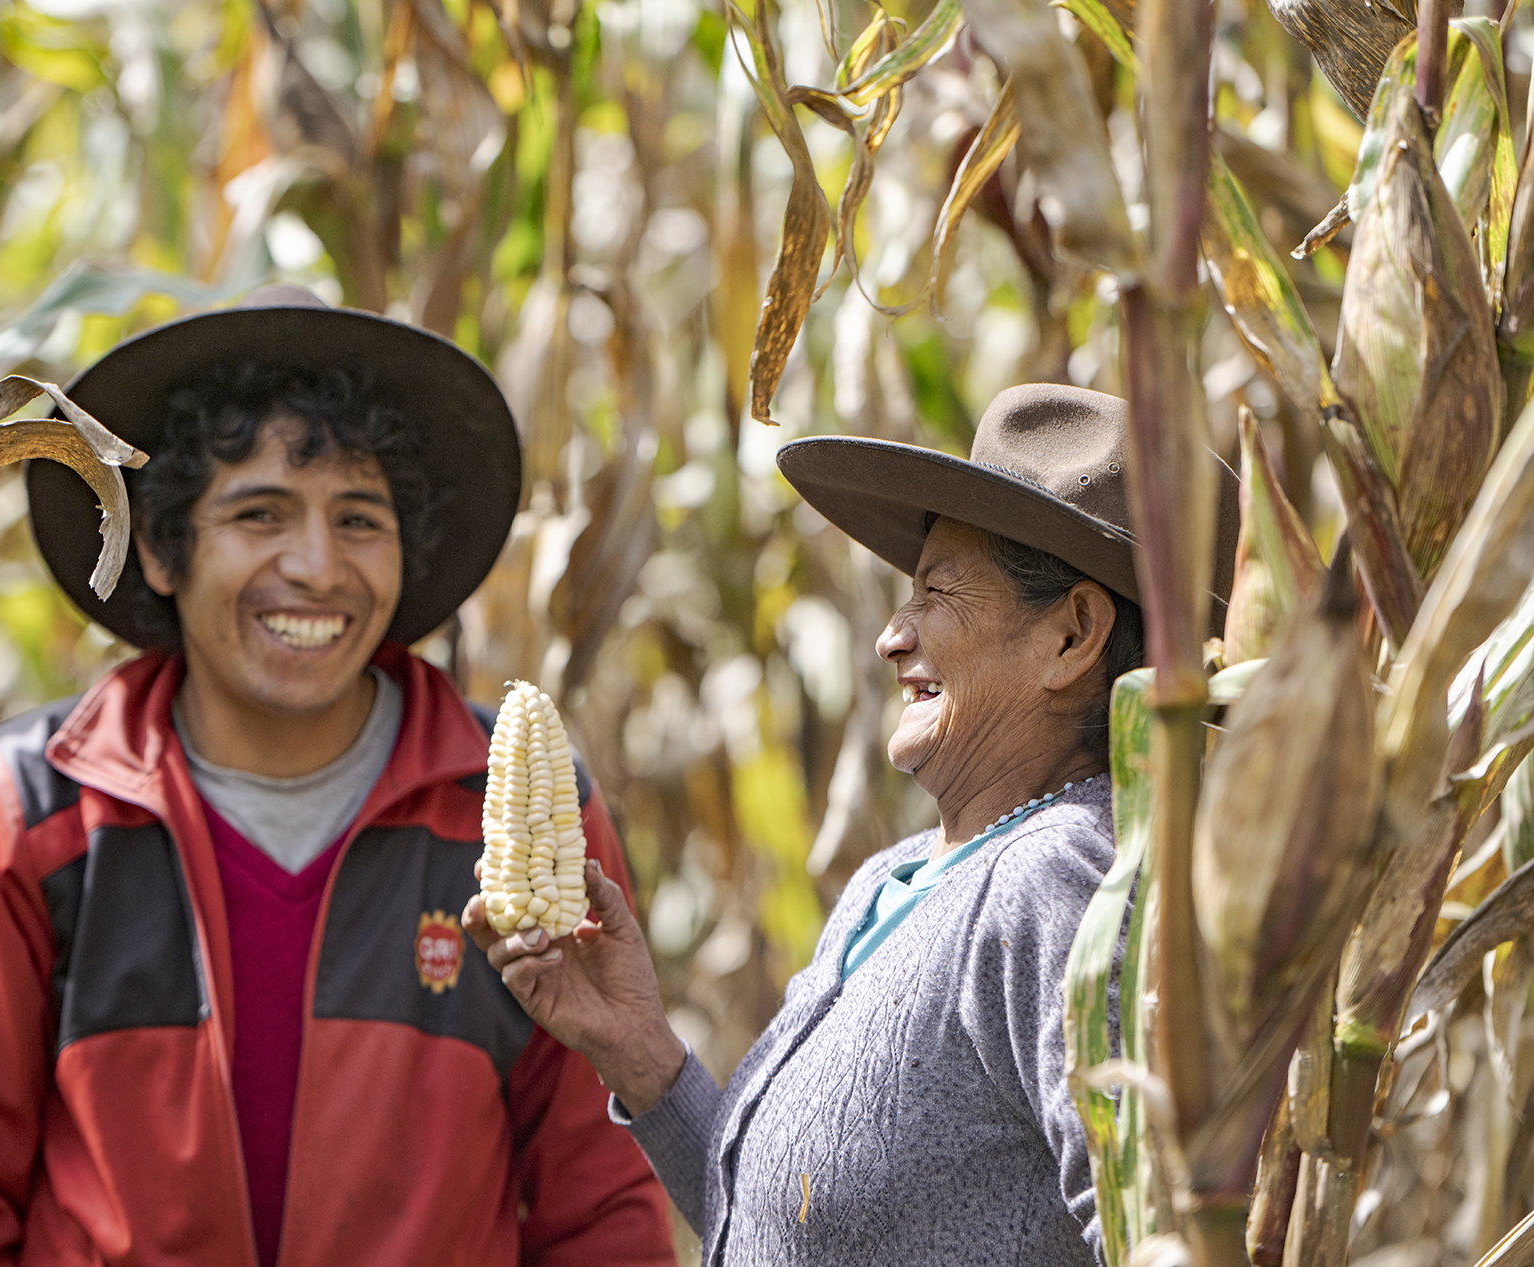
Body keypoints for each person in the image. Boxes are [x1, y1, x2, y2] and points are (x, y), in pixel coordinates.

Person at [0, 286, 675, 1265]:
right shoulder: (32, 806)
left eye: (359, 519)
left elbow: (597, 1198)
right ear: (163, 548)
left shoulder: (496, 817)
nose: (315, 564)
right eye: (259, 513)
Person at [465, 384, 1237, 1266]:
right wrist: (636, 1047)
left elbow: (1161, 1240)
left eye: (937, 592)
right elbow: (781, 1228)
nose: (890, 637)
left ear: (1073, 634)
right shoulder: (897, 876)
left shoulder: (1061, 885)